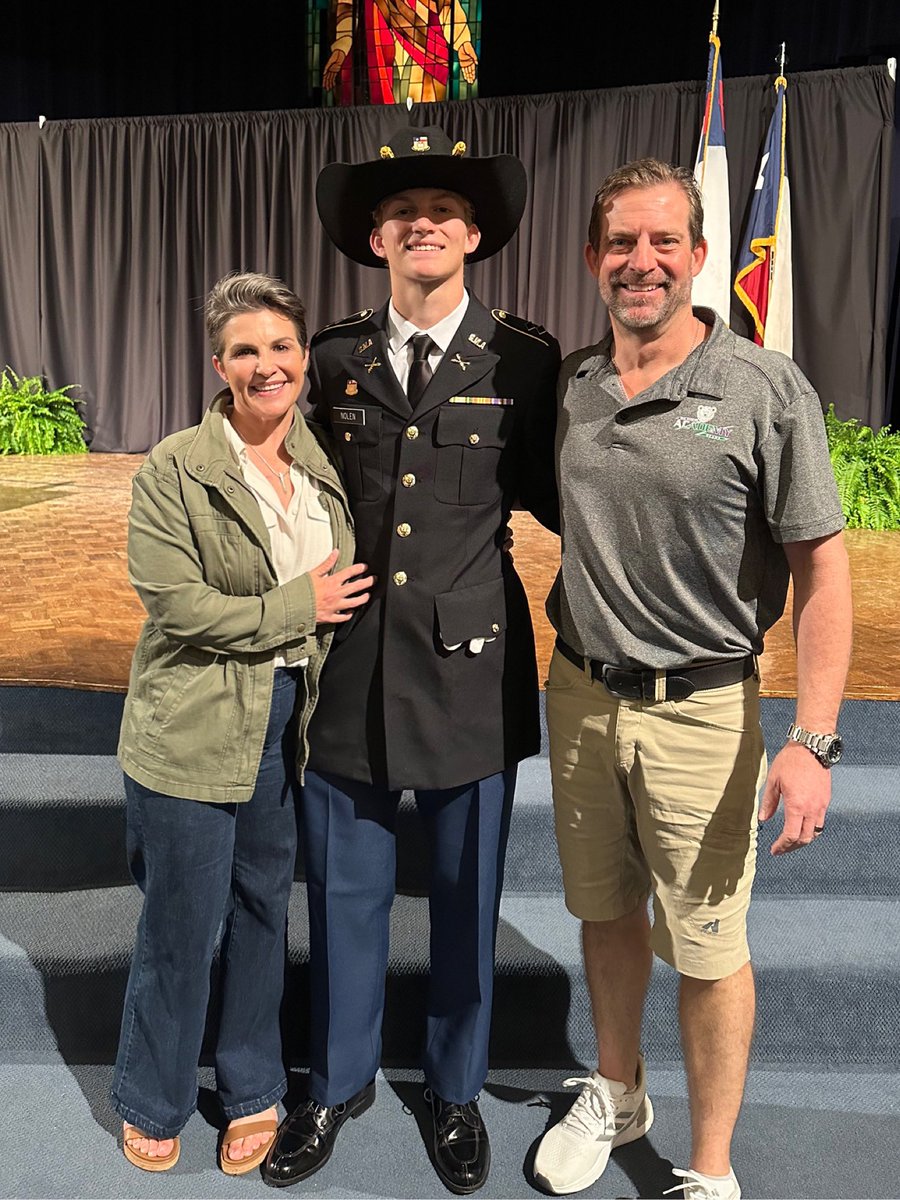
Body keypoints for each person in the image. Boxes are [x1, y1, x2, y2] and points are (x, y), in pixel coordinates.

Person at [533, 158, 852, 1200]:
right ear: (592, 258)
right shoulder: (575, 387)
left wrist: (811, 740)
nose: (642, 262)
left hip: (704, 710)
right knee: (606, 907)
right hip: (579, 696)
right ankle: (618, 1090)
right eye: (621, 242)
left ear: (700, 256)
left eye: (664, 241)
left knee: (710, 947)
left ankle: (710, 1171)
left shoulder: (764, 389)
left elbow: (822, 570)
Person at [262, 125, 559, 1194]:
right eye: (402, 212)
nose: (422, 221)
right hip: (349, 664)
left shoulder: (524, 360)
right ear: (375, 239)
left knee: (467, 898)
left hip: (471, 672)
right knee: (342, 892)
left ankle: (455, 1087)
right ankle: (335, 1084)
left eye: (443, 209)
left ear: (474, 235)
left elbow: (566, 501)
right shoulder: (330, 359)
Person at [111, 271, 372, 1174]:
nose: (268, 366)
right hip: (192, 723)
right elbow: (175, 604)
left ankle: (254, 1086)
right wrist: (297, 604)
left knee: (265, 908)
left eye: (282, 347)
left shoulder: (321, 459)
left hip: (288, 720)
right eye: (246, 350)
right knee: (183, 920)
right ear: (218, 363)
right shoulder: (176, 465)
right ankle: (154, 1093)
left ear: (305, 356)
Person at [323, 0, 478, 105]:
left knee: (428, 122)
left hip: (428, 46)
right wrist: (341, 46)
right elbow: (348, 6)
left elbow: (446, 5)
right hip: (376, 49)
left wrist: (462, 41)